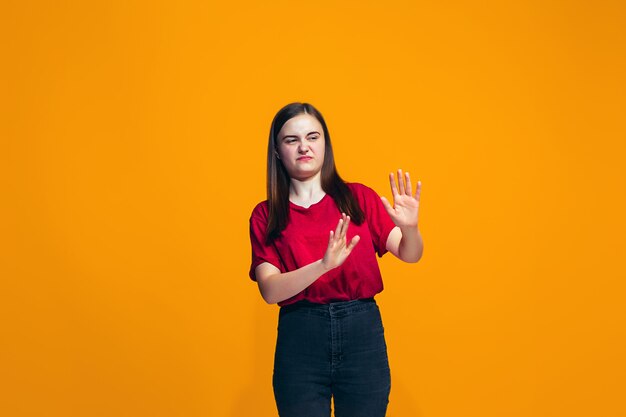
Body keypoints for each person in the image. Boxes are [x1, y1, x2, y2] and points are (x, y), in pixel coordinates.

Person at [248, 102, 423, 417]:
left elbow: (410, 254)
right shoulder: (266, 214)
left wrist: (410, 229)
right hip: (300, 337)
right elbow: (270, 291)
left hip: (362, 334)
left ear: (324, 144)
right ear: (277, 150)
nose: (304, 147)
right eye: (292, 140)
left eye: (313, 137)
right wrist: (322, 266)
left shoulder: (359, 198)